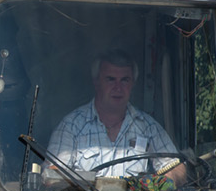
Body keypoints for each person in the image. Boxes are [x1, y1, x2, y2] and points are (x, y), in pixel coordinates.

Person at [45, 49, 182, 182]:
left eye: (124, 80)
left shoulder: (148, 126)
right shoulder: (72, 126)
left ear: (133, 83)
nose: (118, 88)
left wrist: (160, 184)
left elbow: (177, 169)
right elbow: (52, 176)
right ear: (96, 82)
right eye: (110, 79)